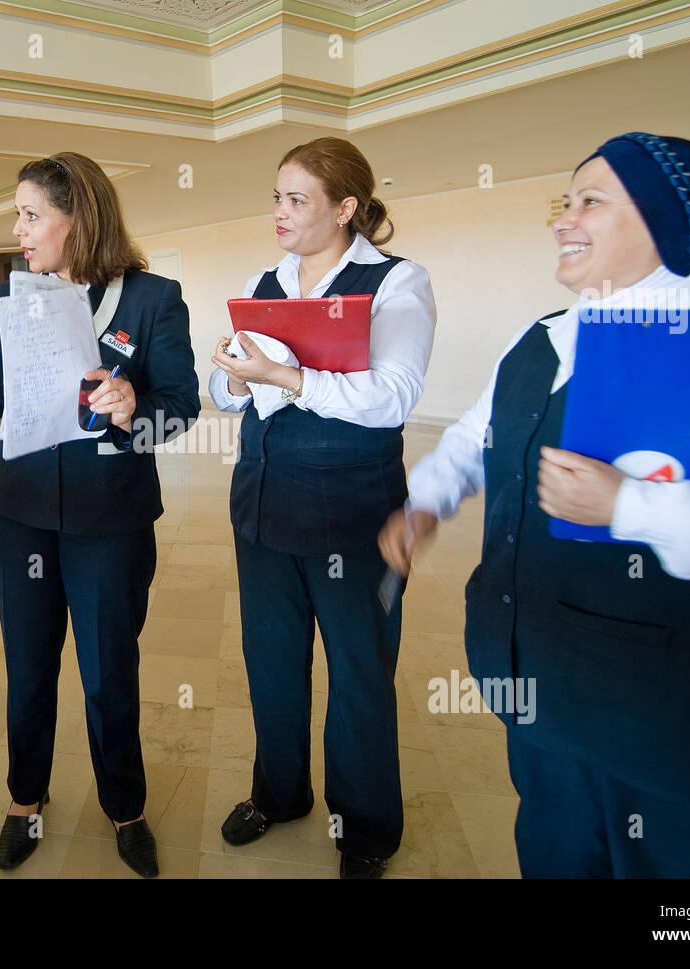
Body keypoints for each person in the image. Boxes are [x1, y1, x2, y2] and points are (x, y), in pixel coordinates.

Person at [380, 132, 690, 877]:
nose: (564, 219)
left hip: (670, 719)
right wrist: (427, 500)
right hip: (539, 685)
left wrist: (635, 508)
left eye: (591, 201)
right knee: (557, 853)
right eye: (566, 201)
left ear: (665, 220)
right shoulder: (542, 339)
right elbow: (472, 434)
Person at [0, 152, 199, 877]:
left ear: (80, 218)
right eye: (19, 214)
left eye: (32, 214)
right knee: (29, 666)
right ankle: (24, 798)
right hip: (21, 515)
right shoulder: (16, 298)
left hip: (111, 519)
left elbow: (183, 409)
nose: (19, 229)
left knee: (108, 672)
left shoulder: (153, 299)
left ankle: (125, 807)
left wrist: (135, 409)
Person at [208, 137, 437, 878]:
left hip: (354, 513)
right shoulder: (264, 280)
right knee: (271, 665)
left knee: (359, 673)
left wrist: (286, 371)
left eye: (297, 199)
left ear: (346, 208)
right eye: (276, 196)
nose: (279, 212)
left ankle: (365, 829)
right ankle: (279, 794)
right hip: (265, 510)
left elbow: (393, 398)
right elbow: (226, 393)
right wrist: (239, 378)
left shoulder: (398, 282)